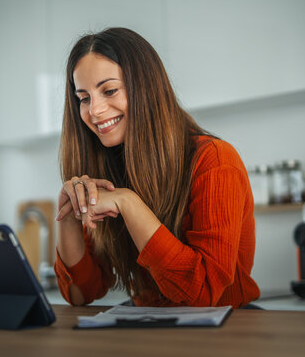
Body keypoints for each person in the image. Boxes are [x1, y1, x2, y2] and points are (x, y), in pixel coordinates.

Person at [54, 27, 260, 308]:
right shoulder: (107, 169)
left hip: (224, 335)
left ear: (146, 88)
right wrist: (67, 215)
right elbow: (80, 295)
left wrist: (129, 202)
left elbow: (202, 296)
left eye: (110, 90)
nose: (94, 111)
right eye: (84, 98)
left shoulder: (215, 161)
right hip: (147, 331)